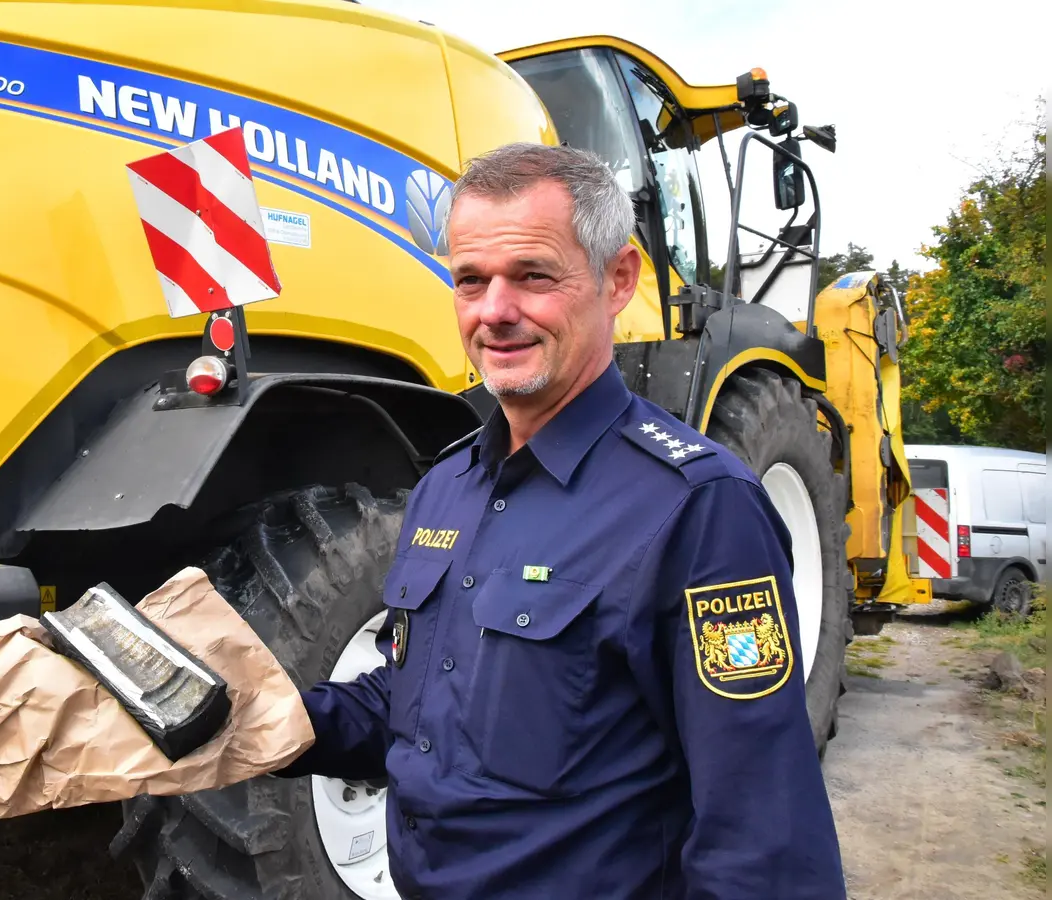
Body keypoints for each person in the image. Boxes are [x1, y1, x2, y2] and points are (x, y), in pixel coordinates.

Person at [275, 143, 846, 899]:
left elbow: (763, 840)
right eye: (470, 281)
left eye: (533, 276)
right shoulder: (446, 487)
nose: (495, 312)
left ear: (618, 281)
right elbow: (412, 705)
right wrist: (271, 724)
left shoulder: (699, 507)